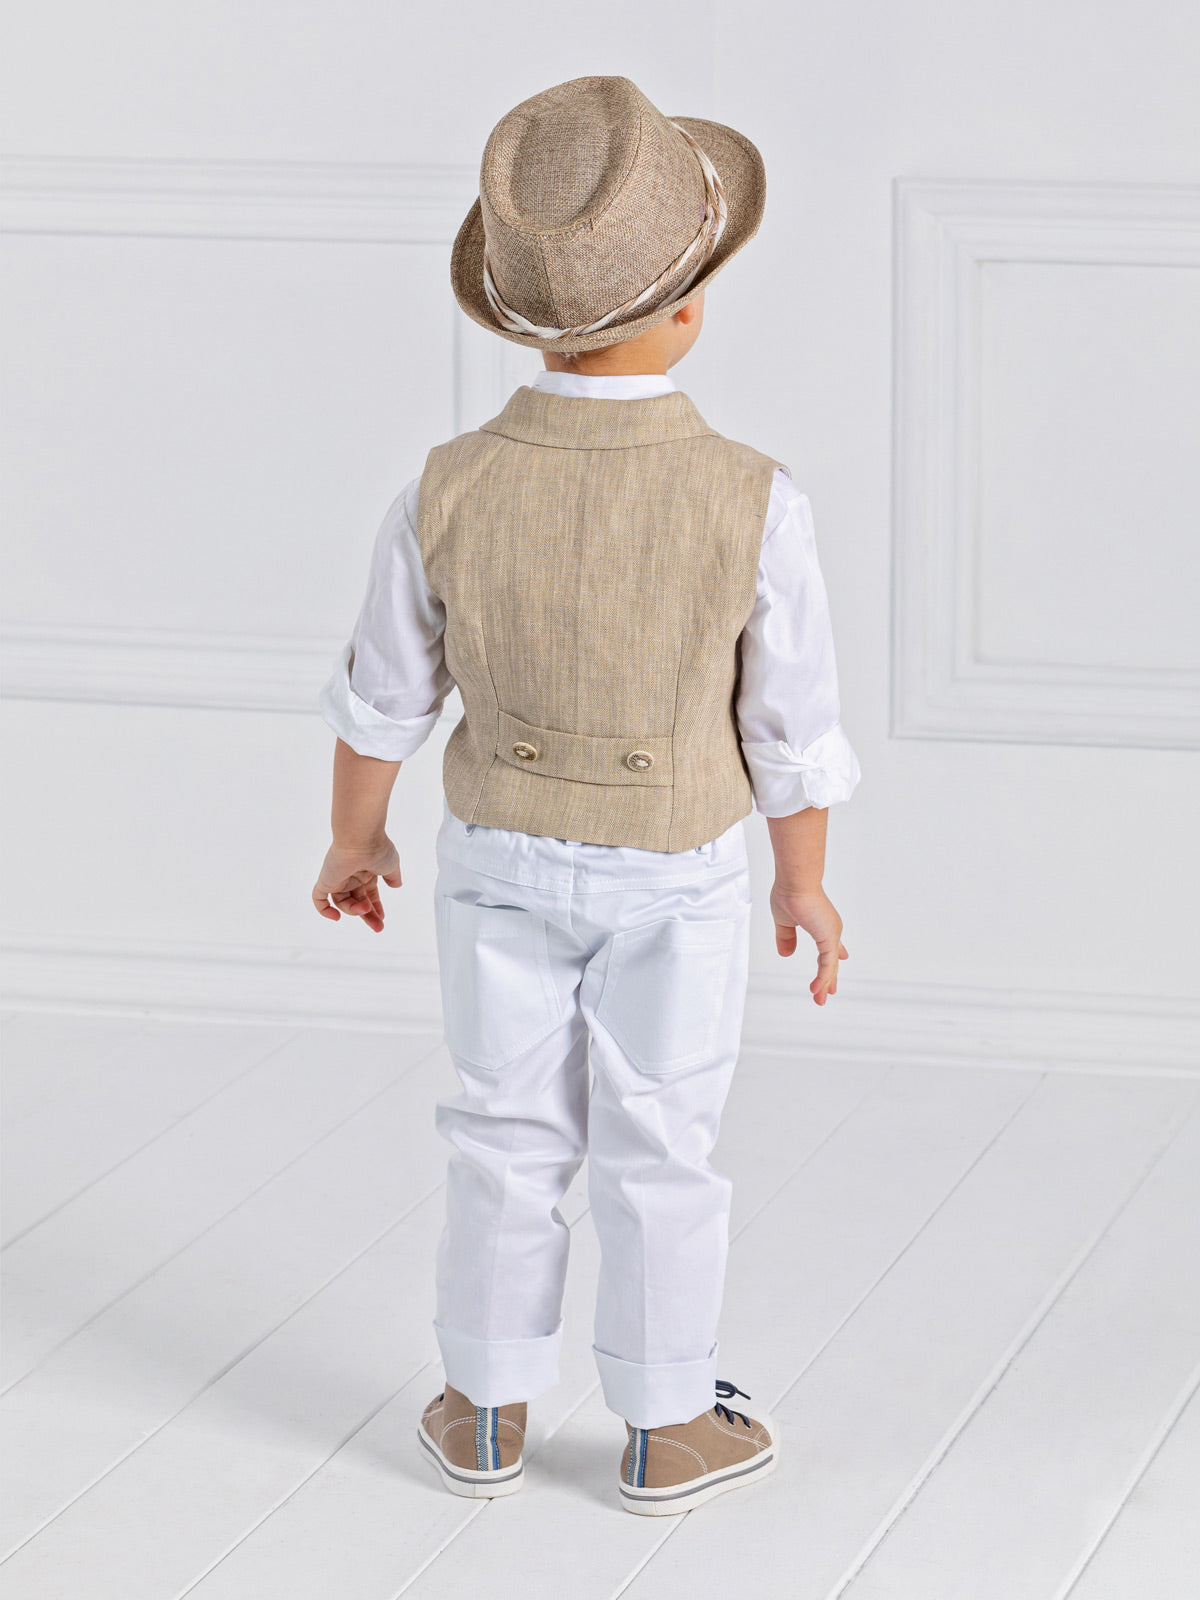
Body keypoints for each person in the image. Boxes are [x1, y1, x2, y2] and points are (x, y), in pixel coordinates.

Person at [312, 75, 861, 1516]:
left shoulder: (446, 484)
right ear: (688, 308)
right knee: (662, 1142)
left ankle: (484, 1405)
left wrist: (355, 836)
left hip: (496, 852)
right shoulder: (754, 497)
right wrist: (803, 879)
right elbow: (790, 725)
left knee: (500, 1128)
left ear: (522, 315)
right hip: (676, 872)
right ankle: (666, 1423)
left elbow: (383, 694)